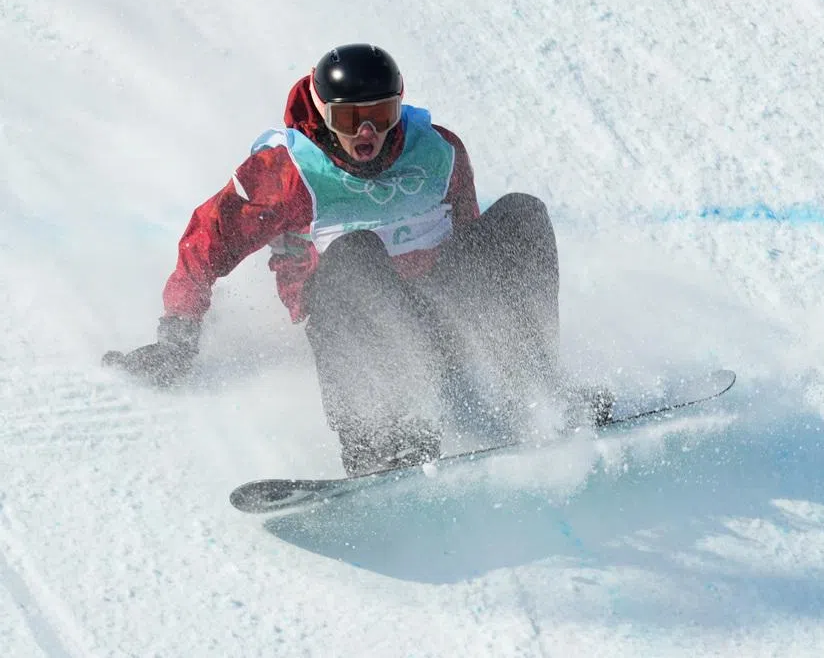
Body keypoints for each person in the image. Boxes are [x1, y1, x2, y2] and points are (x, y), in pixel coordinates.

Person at [104, 43, 583, 476]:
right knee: (356, 251)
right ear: (322, 112)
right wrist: (178, 337)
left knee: (522, 213)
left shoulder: (439, 152)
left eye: (381, 113)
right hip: (353, 324)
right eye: (351, 119)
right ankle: (377, 439)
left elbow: (473, 237)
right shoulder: (289, 173)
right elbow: (206, 243)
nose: (368, 132)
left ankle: (538, 394)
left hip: (439, 313)